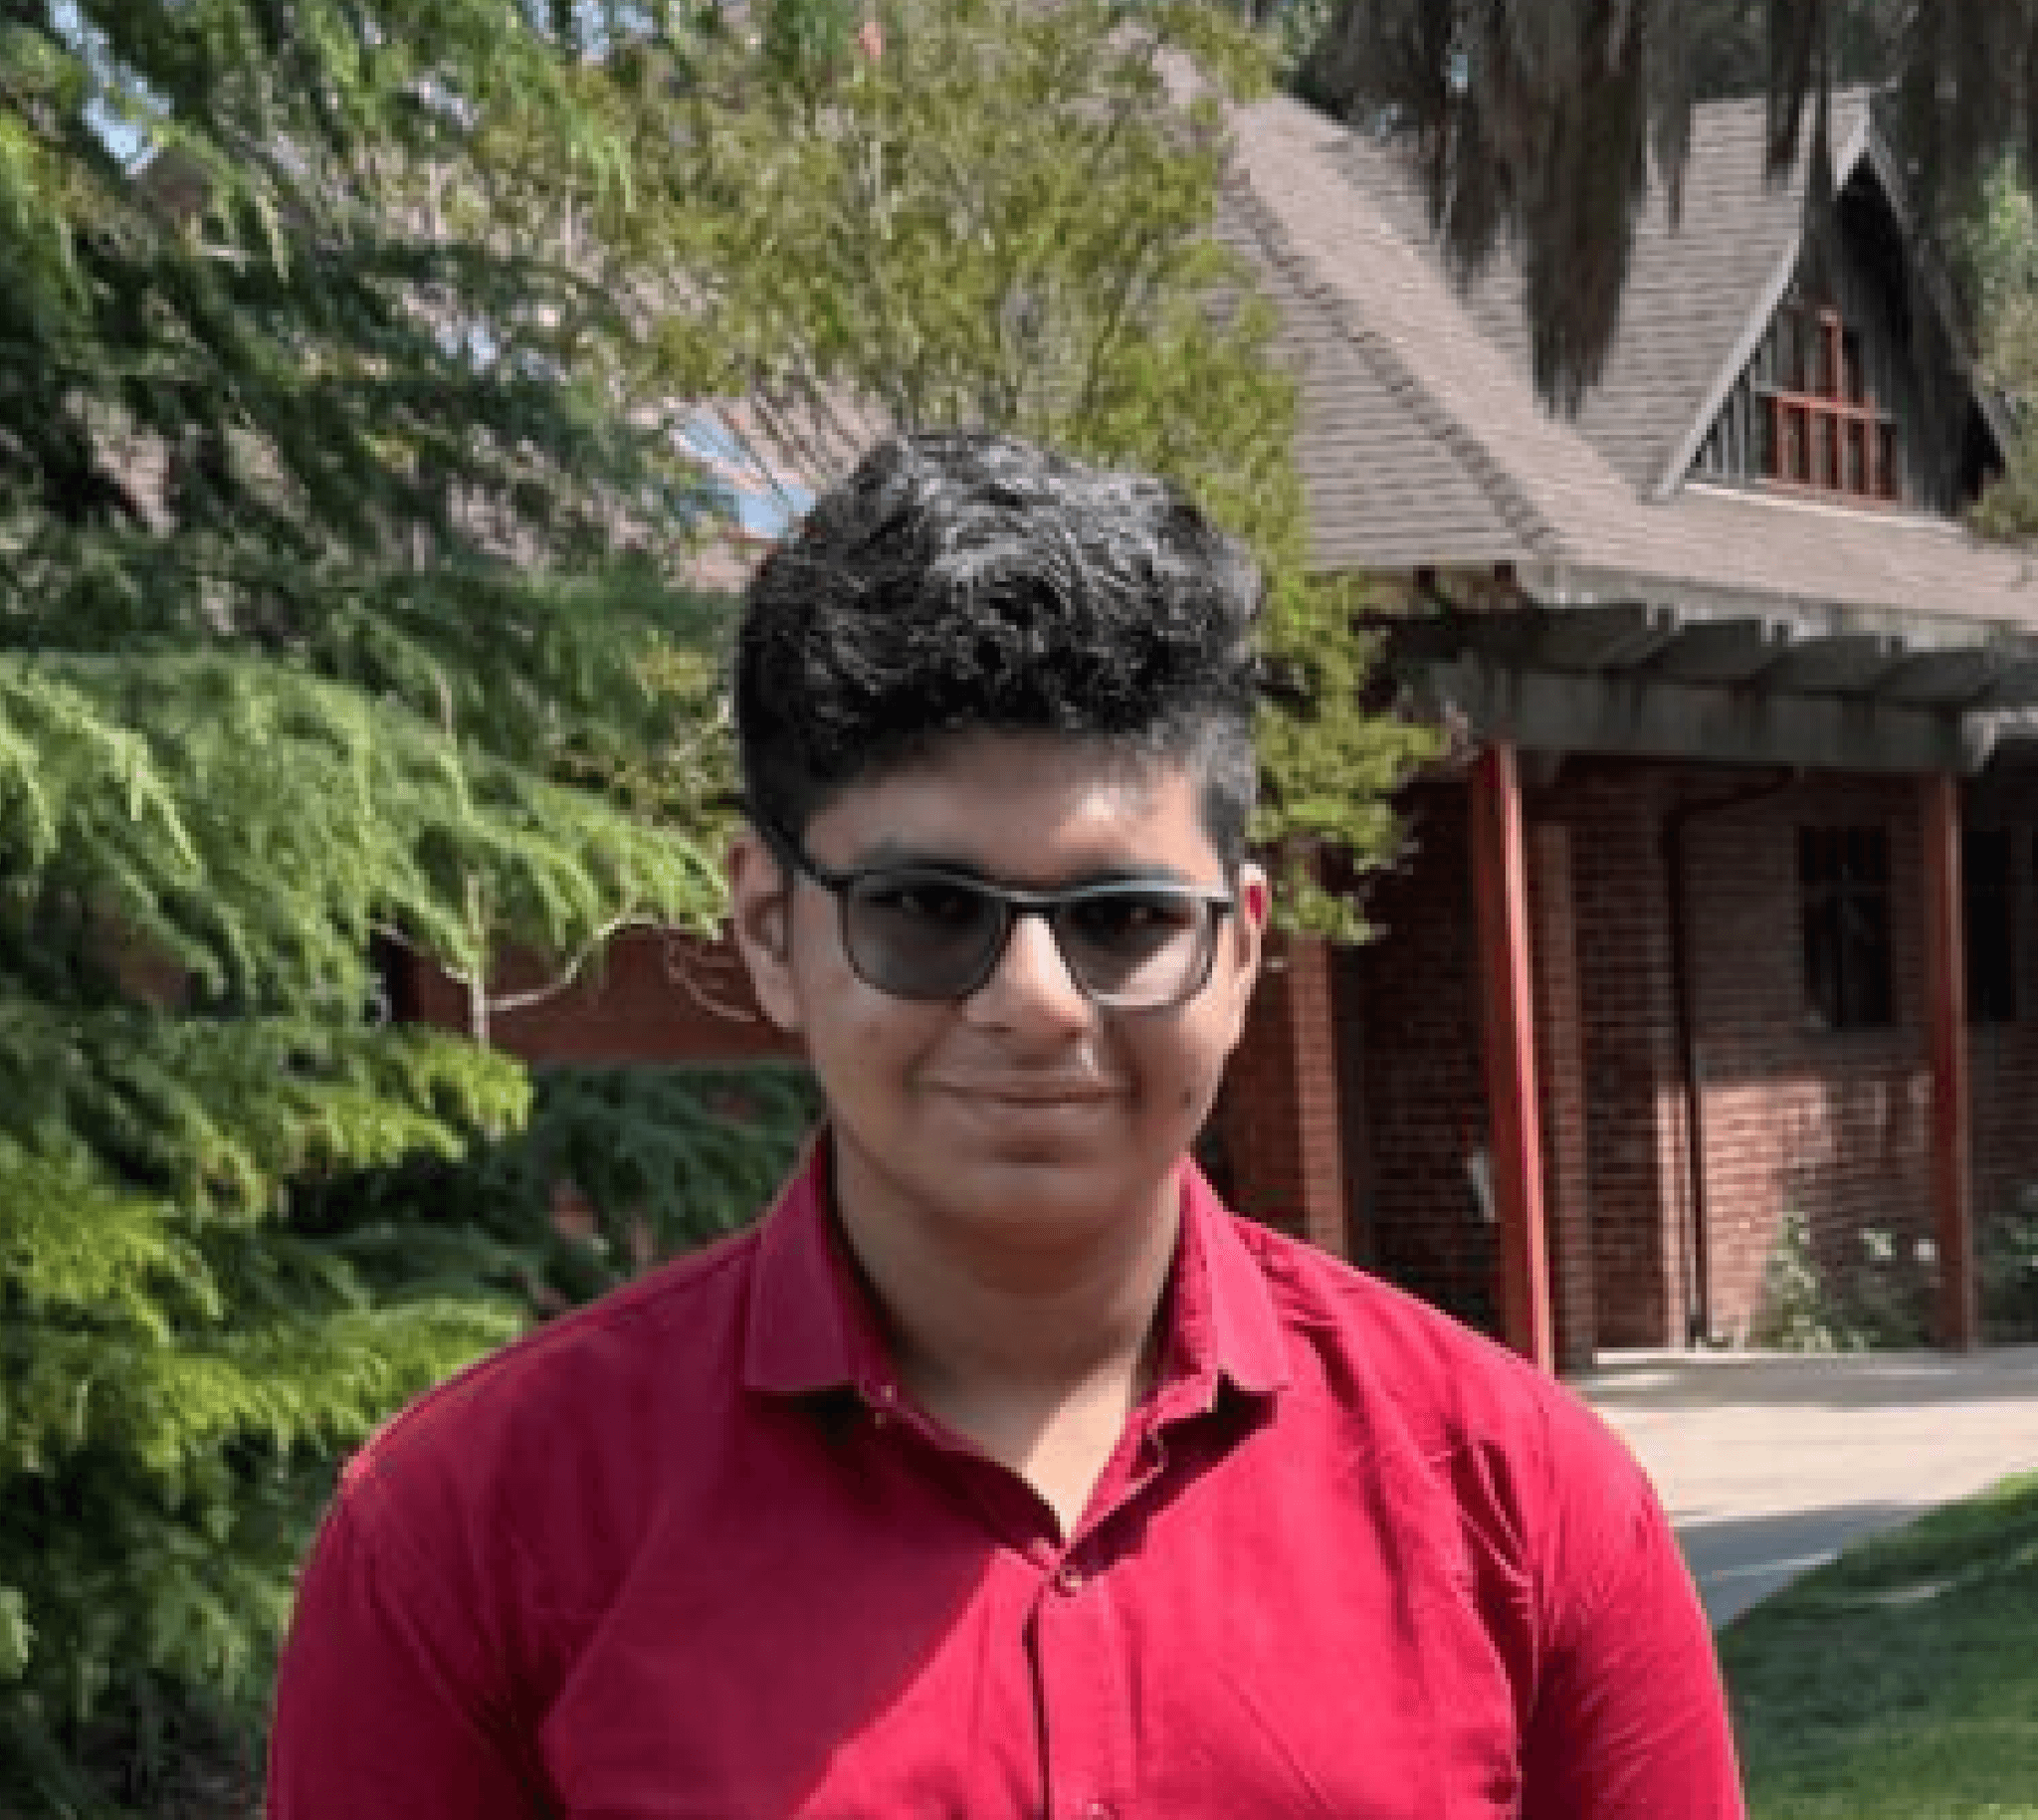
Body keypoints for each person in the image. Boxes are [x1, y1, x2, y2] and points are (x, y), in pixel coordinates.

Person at [266, 433, 1744, 1817]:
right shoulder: (467, 1532)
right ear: (771, 930)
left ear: (1235, 951)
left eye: (1121, 919)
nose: (1036, 999)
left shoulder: (1528, 1506)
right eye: (927, 910)